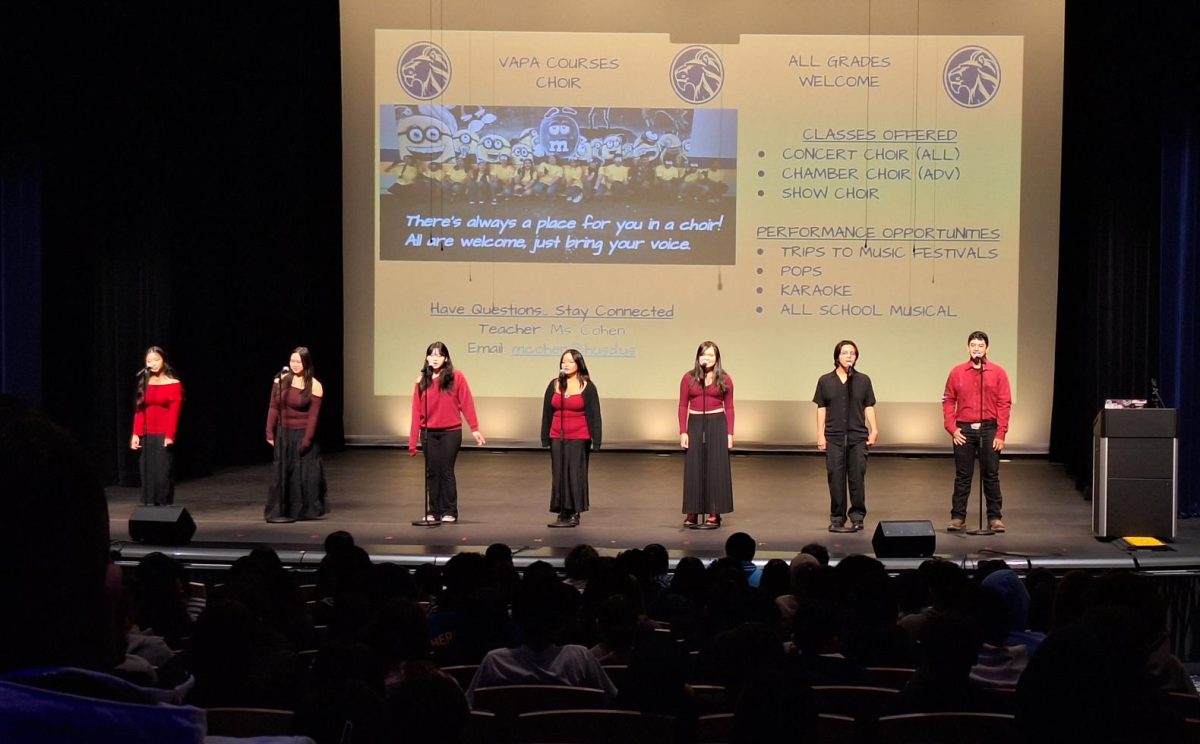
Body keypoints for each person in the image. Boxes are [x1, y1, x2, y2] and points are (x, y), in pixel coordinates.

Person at [942, 331, 1012, 532]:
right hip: (963, 429)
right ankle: (957, 517)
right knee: (963, 475)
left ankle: (995, 518)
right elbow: (948, 400)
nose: (976, 349)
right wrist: (952, 428)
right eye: (973, 345)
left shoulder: (997, 372)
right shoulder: (957, 372)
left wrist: (1001, 433)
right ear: (968, 348)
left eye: (980, 346)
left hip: (989, 428)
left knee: (990, 474)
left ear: (987, 349)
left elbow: (1004, 403)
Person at [409, 342, 485, 524]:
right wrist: (412, 442)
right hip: (429, 432)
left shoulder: (456, 377)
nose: (435, 358)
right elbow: (415, 412)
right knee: (432, 472)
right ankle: (433, 511)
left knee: (446, 470)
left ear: (446, 358)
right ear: (427, 358)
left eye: (439, 355)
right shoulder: (422, 381)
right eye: (431, 355)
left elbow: (467, 402)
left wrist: (474, 428)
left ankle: (449, 510)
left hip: (451, 432)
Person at [813, 340, 878, 532]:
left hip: (857, 436)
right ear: (837, 356)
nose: (849, 356)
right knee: (835, 477)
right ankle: (837, 517)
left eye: (852, 353)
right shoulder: (825, 380)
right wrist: (820, 434)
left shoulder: (863, 380)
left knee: (857, 477)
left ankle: (857, 516)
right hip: (834, 436)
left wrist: (874, 430)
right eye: (845, 353)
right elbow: (821, 408)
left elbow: (868, 406)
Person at [265, 346, 327, 522]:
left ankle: (301, 511)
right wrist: (269, 431)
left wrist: (307, 440)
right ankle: (280, 510)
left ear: (306, 362)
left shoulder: (314, 385)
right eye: (292, 361)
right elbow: (273, 407)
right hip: (283, 433)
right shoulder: (281, 380)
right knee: (282, 472)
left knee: (301, 475)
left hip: (301, 434)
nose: (295, 365)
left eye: (298, 361)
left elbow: (313, 417)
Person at [541, 349, 602, 527]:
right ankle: (562, 510)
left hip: (579, 435)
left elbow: (595, 414)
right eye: (563, 362)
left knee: (575, 474)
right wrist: (545, 437)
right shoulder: (554, 384)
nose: (565, 365)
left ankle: (574, 511)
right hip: (557, 435)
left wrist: (596, 440)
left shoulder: (587, 386)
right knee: (559, 474)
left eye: (569, 362)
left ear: (579, 364)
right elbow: (547, 412)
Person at [678, 341, 735, 528]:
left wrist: (729, 433)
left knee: (716, 469)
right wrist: (683, 431)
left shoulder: (725, 379)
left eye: (711, 355)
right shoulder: (688, 378)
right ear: (698, 357)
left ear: (717, 358)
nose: (708, 358)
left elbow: (730, 406)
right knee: (695, 467)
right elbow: (682, 405)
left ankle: (714, 512)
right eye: (704, 355)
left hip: (717, 423)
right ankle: (692, 512)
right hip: (695, 423)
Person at [130, 346, 183, 506]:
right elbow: (139, 410)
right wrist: (135, 434)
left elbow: (174, 412)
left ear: (163, 360)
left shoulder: (173, 384)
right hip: (146, 434)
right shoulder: (144, 382)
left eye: (156, 359)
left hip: (163, 434)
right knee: (147, 473)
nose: (152, 363)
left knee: (162, 474)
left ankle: (163, 505)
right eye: (149, 360)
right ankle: (148, 506)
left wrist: (169, 436)